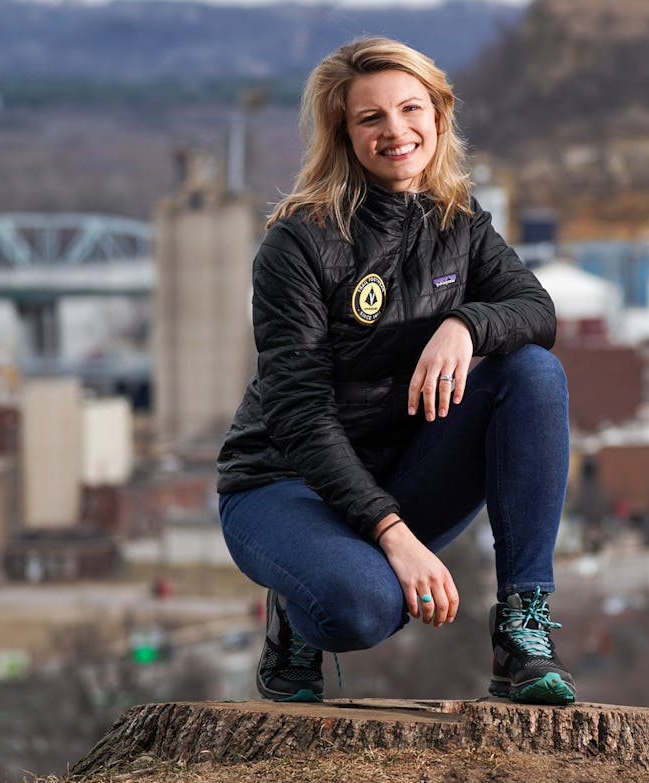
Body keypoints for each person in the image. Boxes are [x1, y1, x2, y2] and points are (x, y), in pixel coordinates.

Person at [215, 36, 575, 706]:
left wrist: (465, 325)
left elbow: (536, 311)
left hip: (401, 471)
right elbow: (298, 415)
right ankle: (294, 607)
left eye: (412, 108)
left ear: (438, 116)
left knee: (531, 372)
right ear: (342, 134)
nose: (396, 131)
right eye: (370, 117)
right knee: (362, 610)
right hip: (285, 482)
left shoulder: (458, 222)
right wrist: (394, 536)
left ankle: (523, 627)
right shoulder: (299, 242)